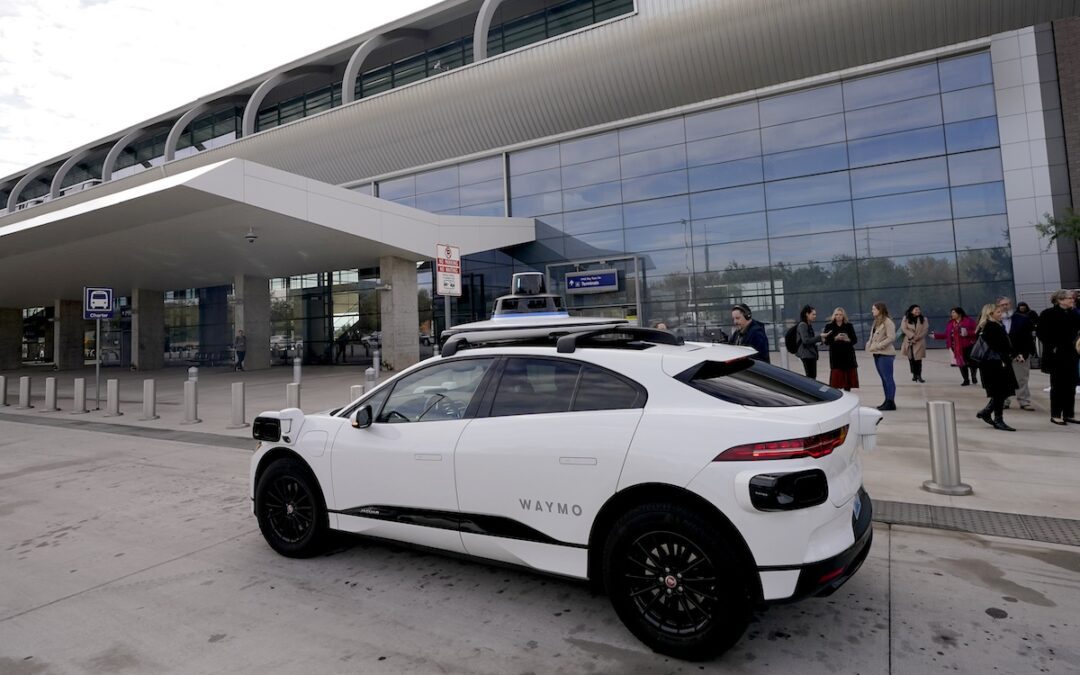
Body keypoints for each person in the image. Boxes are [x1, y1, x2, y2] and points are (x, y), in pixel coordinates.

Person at [974, 303, 1018, 431]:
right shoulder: (991, 327)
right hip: (995, 364)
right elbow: (1000, 345)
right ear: (990, 314)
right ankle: (998, 419)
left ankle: (987, 412)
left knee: (1001, 392)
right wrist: (1012, 352)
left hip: (995, 363)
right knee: (1000, 392)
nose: (1001, 314)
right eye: (998, 312)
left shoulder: (990, 326)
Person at [1038, 289, 1080, 425]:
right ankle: (1056, 415)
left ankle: (1069, 414)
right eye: (1069, 298)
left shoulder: (1074, 313)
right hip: (1056, 355)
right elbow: (1041, 333)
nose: (1072, 300)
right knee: (1058, 386)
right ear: (1060, 300)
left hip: (1072, 353)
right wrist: (1054, 346)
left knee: (1071, 385)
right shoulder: (1048, 314)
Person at [997, 296, 1035, 411]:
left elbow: (1028, 338)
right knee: (1002, 379)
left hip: (1020, 354)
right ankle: (1004, 401)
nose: (1005, 307)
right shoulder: (994, 320)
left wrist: (1025, 353)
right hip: (1002, 355)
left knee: (1021, 379)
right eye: (1002, 305)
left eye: (1007, 304)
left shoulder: (1023, 319)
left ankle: (1024, 401)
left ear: (1011, 305)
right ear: (998, 306)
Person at [866, 302, 897, 411]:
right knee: (883, 378)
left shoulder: (888, 322)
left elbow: (891, 337)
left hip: (885, 354)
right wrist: (869, 345)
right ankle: (887, 400)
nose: (872, 311)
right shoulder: (876, 322)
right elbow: (873, 336)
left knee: (888, 378)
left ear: (880, 310)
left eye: (874, 309)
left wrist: (879, 345)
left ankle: (891, 402)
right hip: (877, 353)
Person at [821, 307, 859, 391]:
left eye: (840, 315)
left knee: (848, 382)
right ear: (834, 316)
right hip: (836, 355)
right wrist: (835, 338)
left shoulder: (849, 325)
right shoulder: (829, 326)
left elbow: (854, 340)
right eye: (836, 314)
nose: (838, 316)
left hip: (848, 355)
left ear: (844, 316)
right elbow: (826, 342)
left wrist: (847, 339)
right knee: (836, 381)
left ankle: (848, 393)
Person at [943, 307, 978, 386]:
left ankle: (973, 376)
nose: (952, 314)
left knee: (972, 363)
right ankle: (966, 380)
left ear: (959, 313)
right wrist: (936, 336)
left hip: (968, 346)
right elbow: (946, 335)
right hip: (956, 347)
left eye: (953, 312)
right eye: (951, 313)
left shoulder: (969, 321)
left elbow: (976, 331)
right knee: (961, 364)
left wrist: (967, 333)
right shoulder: (950, 323)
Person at [901, 304, 928, 383]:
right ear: (911, 311)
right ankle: (914, 374)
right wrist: (912, 336)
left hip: (919, 342)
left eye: (919, 309)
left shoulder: (924, 319)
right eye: (916, 309)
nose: (918, 311)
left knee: (918, 360)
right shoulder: (906, 318)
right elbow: (904, 328)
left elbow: (925, 329)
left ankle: (919, 375)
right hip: (909, 341)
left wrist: (918, 337)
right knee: (911, 359)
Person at [795, 304, 824, 379]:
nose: (815, 316)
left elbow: (811, 340)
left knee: (812, 376)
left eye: (815, 314)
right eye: (813, 314)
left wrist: (820, 340)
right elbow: (806, 340)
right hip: (807, 355)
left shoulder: (808, 325)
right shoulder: (803, 325)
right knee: (811, 377)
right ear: (807, 314)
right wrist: (820, 337)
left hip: (810, 354)